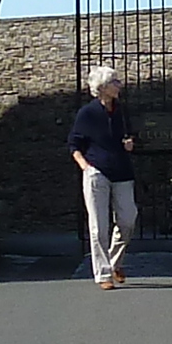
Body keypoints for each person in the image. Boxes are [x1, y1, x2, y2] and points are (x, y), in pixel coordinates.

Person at [69, 64, 138, 288]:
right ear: (103, 87)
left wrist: (130, 144)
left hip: (122, 171)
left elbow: (132, 133)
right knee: (98, 226)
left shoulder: (122, 110)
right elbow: (74, 143)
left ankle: (114, 261)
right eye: (115, 82)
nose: (119, 85)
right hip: (96, 171)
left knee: (128, 219)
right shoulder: (87, 113)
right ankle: (103, 274)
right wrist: (85, 166)